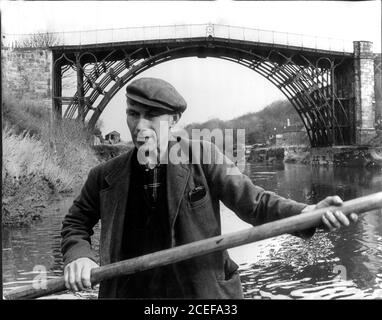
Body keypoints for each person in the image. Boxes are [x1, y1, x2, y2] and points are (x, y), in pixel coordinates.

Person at [61, 77, 358, 299]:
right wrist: (79, 256)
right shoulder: (104, 176)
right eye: (132, 113)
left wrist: (307, 212)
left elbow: (254, 203)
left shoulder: (204, 157)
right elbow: (76, 222)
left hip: (200, 298)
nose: (139, 126)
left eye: (151, 116)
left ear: (174, 119)